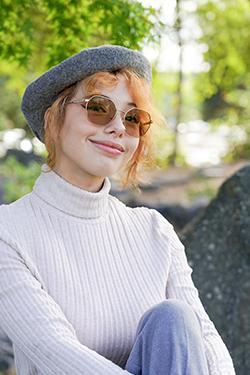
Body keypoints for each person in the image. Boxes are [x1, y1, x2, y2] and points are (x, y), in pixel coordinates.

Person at [0, 45, 235, 375]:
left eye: (133, 118)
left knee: (175, 319)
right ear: (54, 116)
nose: (118, 128)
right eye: (98, 108)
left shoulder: (154, 231)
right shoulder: (9, 231)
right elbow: (53, 350)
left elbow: (207, 339)